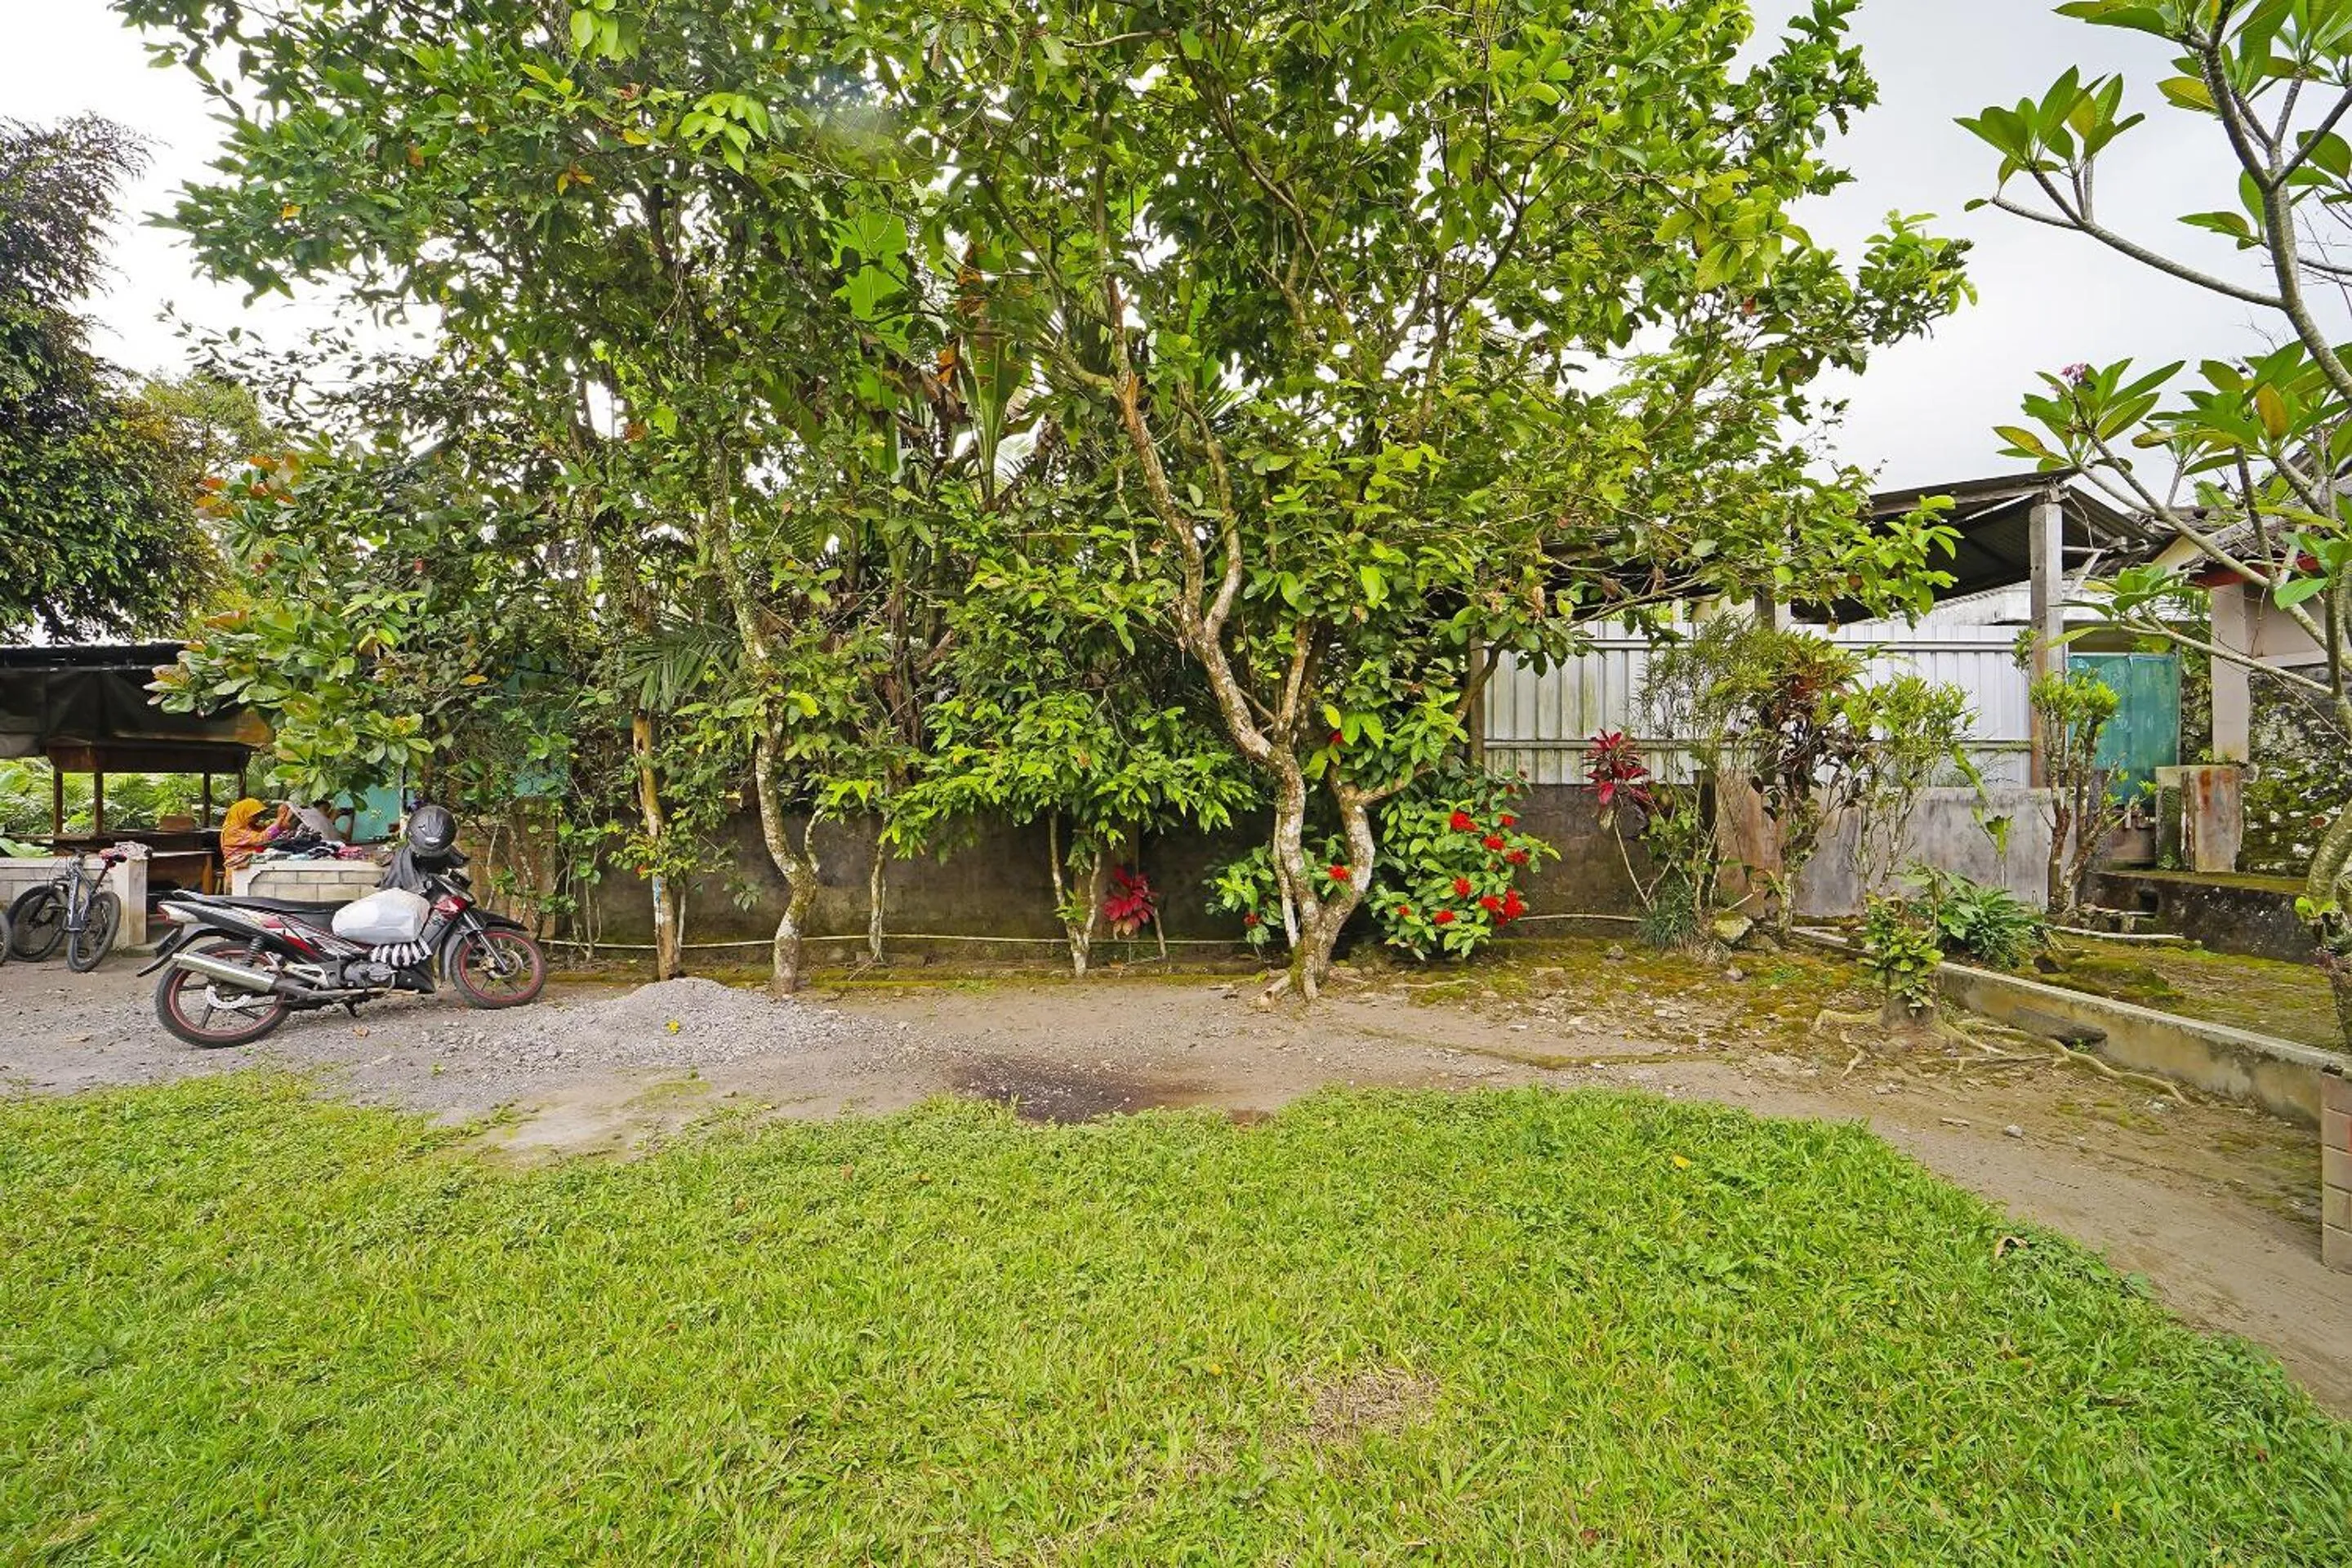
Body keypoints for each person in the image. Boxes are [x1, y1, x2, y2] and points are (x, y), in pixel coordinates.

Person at [217, 798, 291, 871]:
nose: (258, 819)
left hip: (248, 868)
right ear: (243, 814)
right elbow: (262, 839)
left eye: (259, 815)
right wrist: (280, 818)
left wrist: (283, 822)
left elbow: (271, 833)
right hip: (238, 871)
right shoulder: (233, 830)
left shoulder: (250, 826)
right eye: (255, 816)